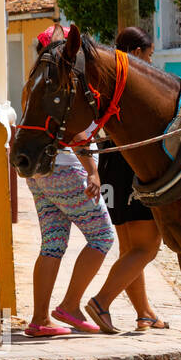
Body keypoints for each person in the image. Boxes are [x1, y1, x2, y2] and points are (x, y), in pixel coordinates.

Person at [22, 25, 114, 337]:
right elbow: (75, 134)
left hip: (40, 174)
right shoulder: (63, 82)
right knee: (102, 237)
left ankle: (39, 319)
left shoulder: (35, 82)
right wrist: (92, 171)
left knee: (52, 244)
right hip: (66, 168)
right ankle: (70, 306)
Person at [84, 27, 170, 334]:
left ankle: (144, 312)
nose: (150, 61)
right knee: (147, 247)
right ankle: (101, 301)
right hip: (133, 165)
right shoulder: (133, 85)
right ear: (136, 54)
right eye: (148, 55)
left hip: (109, 164)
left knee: (130, 247)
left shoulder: (103, 79)